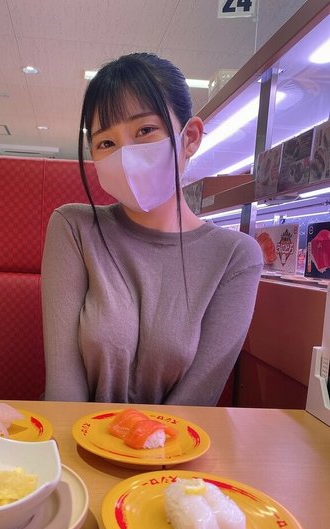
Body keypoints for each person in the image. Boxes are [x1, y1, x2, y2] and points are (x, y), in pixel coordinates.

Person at [41, 52, 263, 405]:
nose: (126, 156)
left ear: (190, 137)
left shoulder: (236, 256)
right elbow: (63, 389)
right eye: (106, 143)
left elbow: (196, 402)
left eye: (145, 130)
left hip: (173, 438)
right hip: (75, 432)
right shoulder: (74, 227)